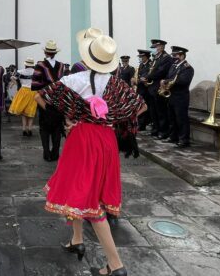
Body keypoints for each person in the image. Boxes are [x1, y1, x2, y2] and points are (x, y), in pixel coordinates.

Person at [35, 34, 145, 276]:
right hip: (106, 139)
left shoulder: (74, 79)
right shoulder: (116, 84)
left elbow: (39, 96)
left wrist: (67, 118)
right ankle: (76, 239)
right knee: (82, 189)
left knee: (89, 198)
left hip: (82, 138)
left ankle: (115, 264)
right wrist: (112, 118)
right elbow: (141, 106)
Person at [32, 40, 70, 161]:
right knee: (57, 128)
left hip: (44, 102)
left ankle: (46, 153)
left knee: (44, 128)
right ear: (55, 53)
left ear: (45, 52)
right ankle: (55, 153)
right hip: (59, 102)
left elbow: (36, 86)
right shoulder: (62, 66)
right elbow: (65, 85)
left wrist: (44, 99)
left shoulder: (40, 66)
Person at [160, 46, 195, 148]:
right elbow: (168, 76)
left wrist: (166, 81)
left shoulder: (187, 68)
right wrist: (164, 81)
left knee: (181, 119)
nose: (173, 57)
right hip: (171, 96)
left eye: (175, 55)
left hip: (181, 97)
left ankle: (184, 139)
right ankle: (173, 137)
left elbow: (183, 81)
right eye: (173, 55)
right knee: (172, 118)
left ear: (182, 55)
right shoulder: (174, 66)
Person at [142, 39, 172, 139]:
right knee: (153, 110)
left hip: (159, 86)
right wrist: (145, 76)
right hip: (152, 87)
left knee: (161, 111)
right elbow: (150, 69)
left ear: (162, 46)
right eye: (155, 47)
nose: (156, 48)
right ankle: (156, 129)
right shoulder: (155, 57)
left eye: (157, 47)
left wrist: (147, 77)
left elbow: (160, 71)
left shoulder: (166, 58)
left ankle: (163, 131)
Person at [9, 58, 39, 137]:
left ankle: (24, 129)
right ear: (33, 65)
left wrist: (17, 83)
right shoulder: (36, 72)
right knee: (31, 112)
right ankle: (30, 129)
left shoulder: (20, 71)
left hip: (23, 91)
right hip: (33, 91)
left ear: (26, 64)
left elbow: (12, 78)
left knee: (23, 112)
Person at [135, 50, 152, 131]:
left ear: (146, 57)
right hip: (140, 89)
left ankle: (142, 125)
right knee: (140, 106)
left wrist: (141, 79)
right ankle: (141, 124)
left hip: (146, 90)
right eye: (140, 57)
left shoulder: (150, 64)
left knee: (145, 107)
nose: (140, 58)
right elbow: (139, 76)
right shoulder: (141, 65)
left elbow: (148, 75)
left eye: (141, 57)